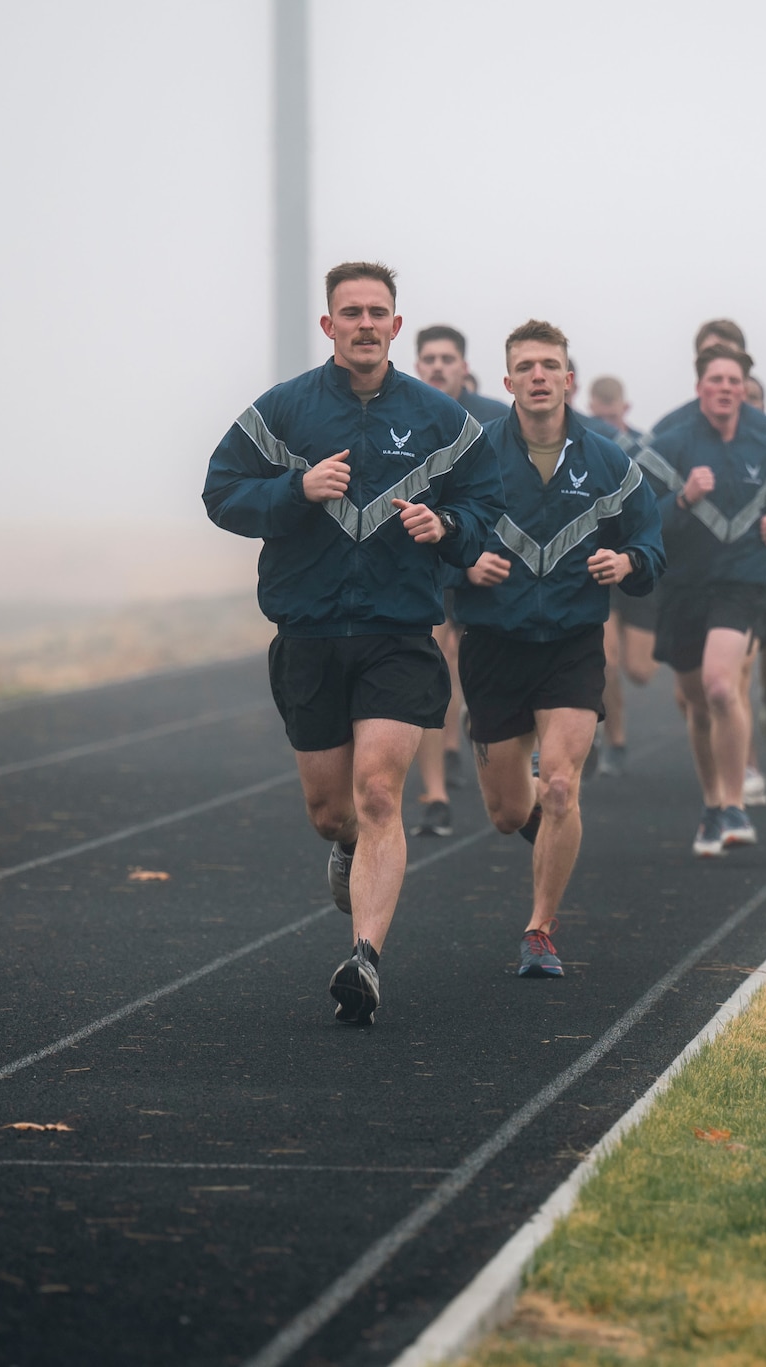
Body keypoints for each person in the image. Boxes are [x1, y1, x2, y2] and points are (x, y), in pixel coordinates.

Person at [202, 262, 501, 1025]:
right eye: (351, 312)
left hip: (399, 631)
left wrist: (452, 529)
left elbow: (487, 504)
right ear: (329, 325)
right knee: (331, 809)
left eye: (379, 312)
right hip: (308, 632)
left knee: (378, 792)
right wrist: (292, 492)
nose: (366, 324)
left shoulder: (440, 418)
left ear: (397, 327)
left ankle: (365, 958)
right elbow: (220, 492)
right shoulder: (284, 410)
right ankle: (346, 850)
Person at [454, 320, 663, 978]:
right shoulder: (473, 455)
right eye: (526, 366)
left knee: (564, 784)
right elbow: (434, 536)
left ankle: (539, 930)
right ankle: (543, 823)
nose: (539, 375)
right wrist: (464, 565)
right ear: (508, 380)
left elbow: (651, 539)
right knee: (509, 810)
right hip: (493, 645)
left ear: (568, 379)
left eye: (551, 364)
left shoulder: (607, 460)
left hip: (572, 644)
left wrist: (628, 562)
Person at [634, 344, 766, 856]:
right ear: (699, 388)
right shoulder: (671, 443)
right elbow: (638, 518)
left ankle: (734, 804)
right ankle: (713, 804)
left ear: (745, 388)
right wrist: (684, 498)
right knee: (695, 700)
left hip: (744, 582)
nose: (726, 388)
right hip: (684, 584)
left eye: (734, 380)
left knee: (719, 686)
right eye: (716, 379)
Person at [409, 324, 507, 835]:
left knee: (476, 664)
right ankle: (436, 794)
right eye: (429, 358)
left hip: (488, 561)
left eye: (448, 358)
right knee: (434, 661)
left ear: (464, 366)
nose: (439, 366)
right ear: (418, 363)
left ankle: (470, 731)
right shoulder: (400, 415)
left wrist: (481, 554)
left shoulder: (494, 419)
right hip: (427, 565)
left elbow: (509, 503)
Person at [585, 374, 660, 778]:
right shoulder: (581, 446)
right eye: (602, 416)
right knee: (607, 661)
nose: (609, 424)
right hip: (601, 564)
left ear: (626, 410)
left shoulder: (645, 448)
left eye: (615, 416)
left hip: (638, 560)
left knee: (641, 670)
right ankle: (613, 739)